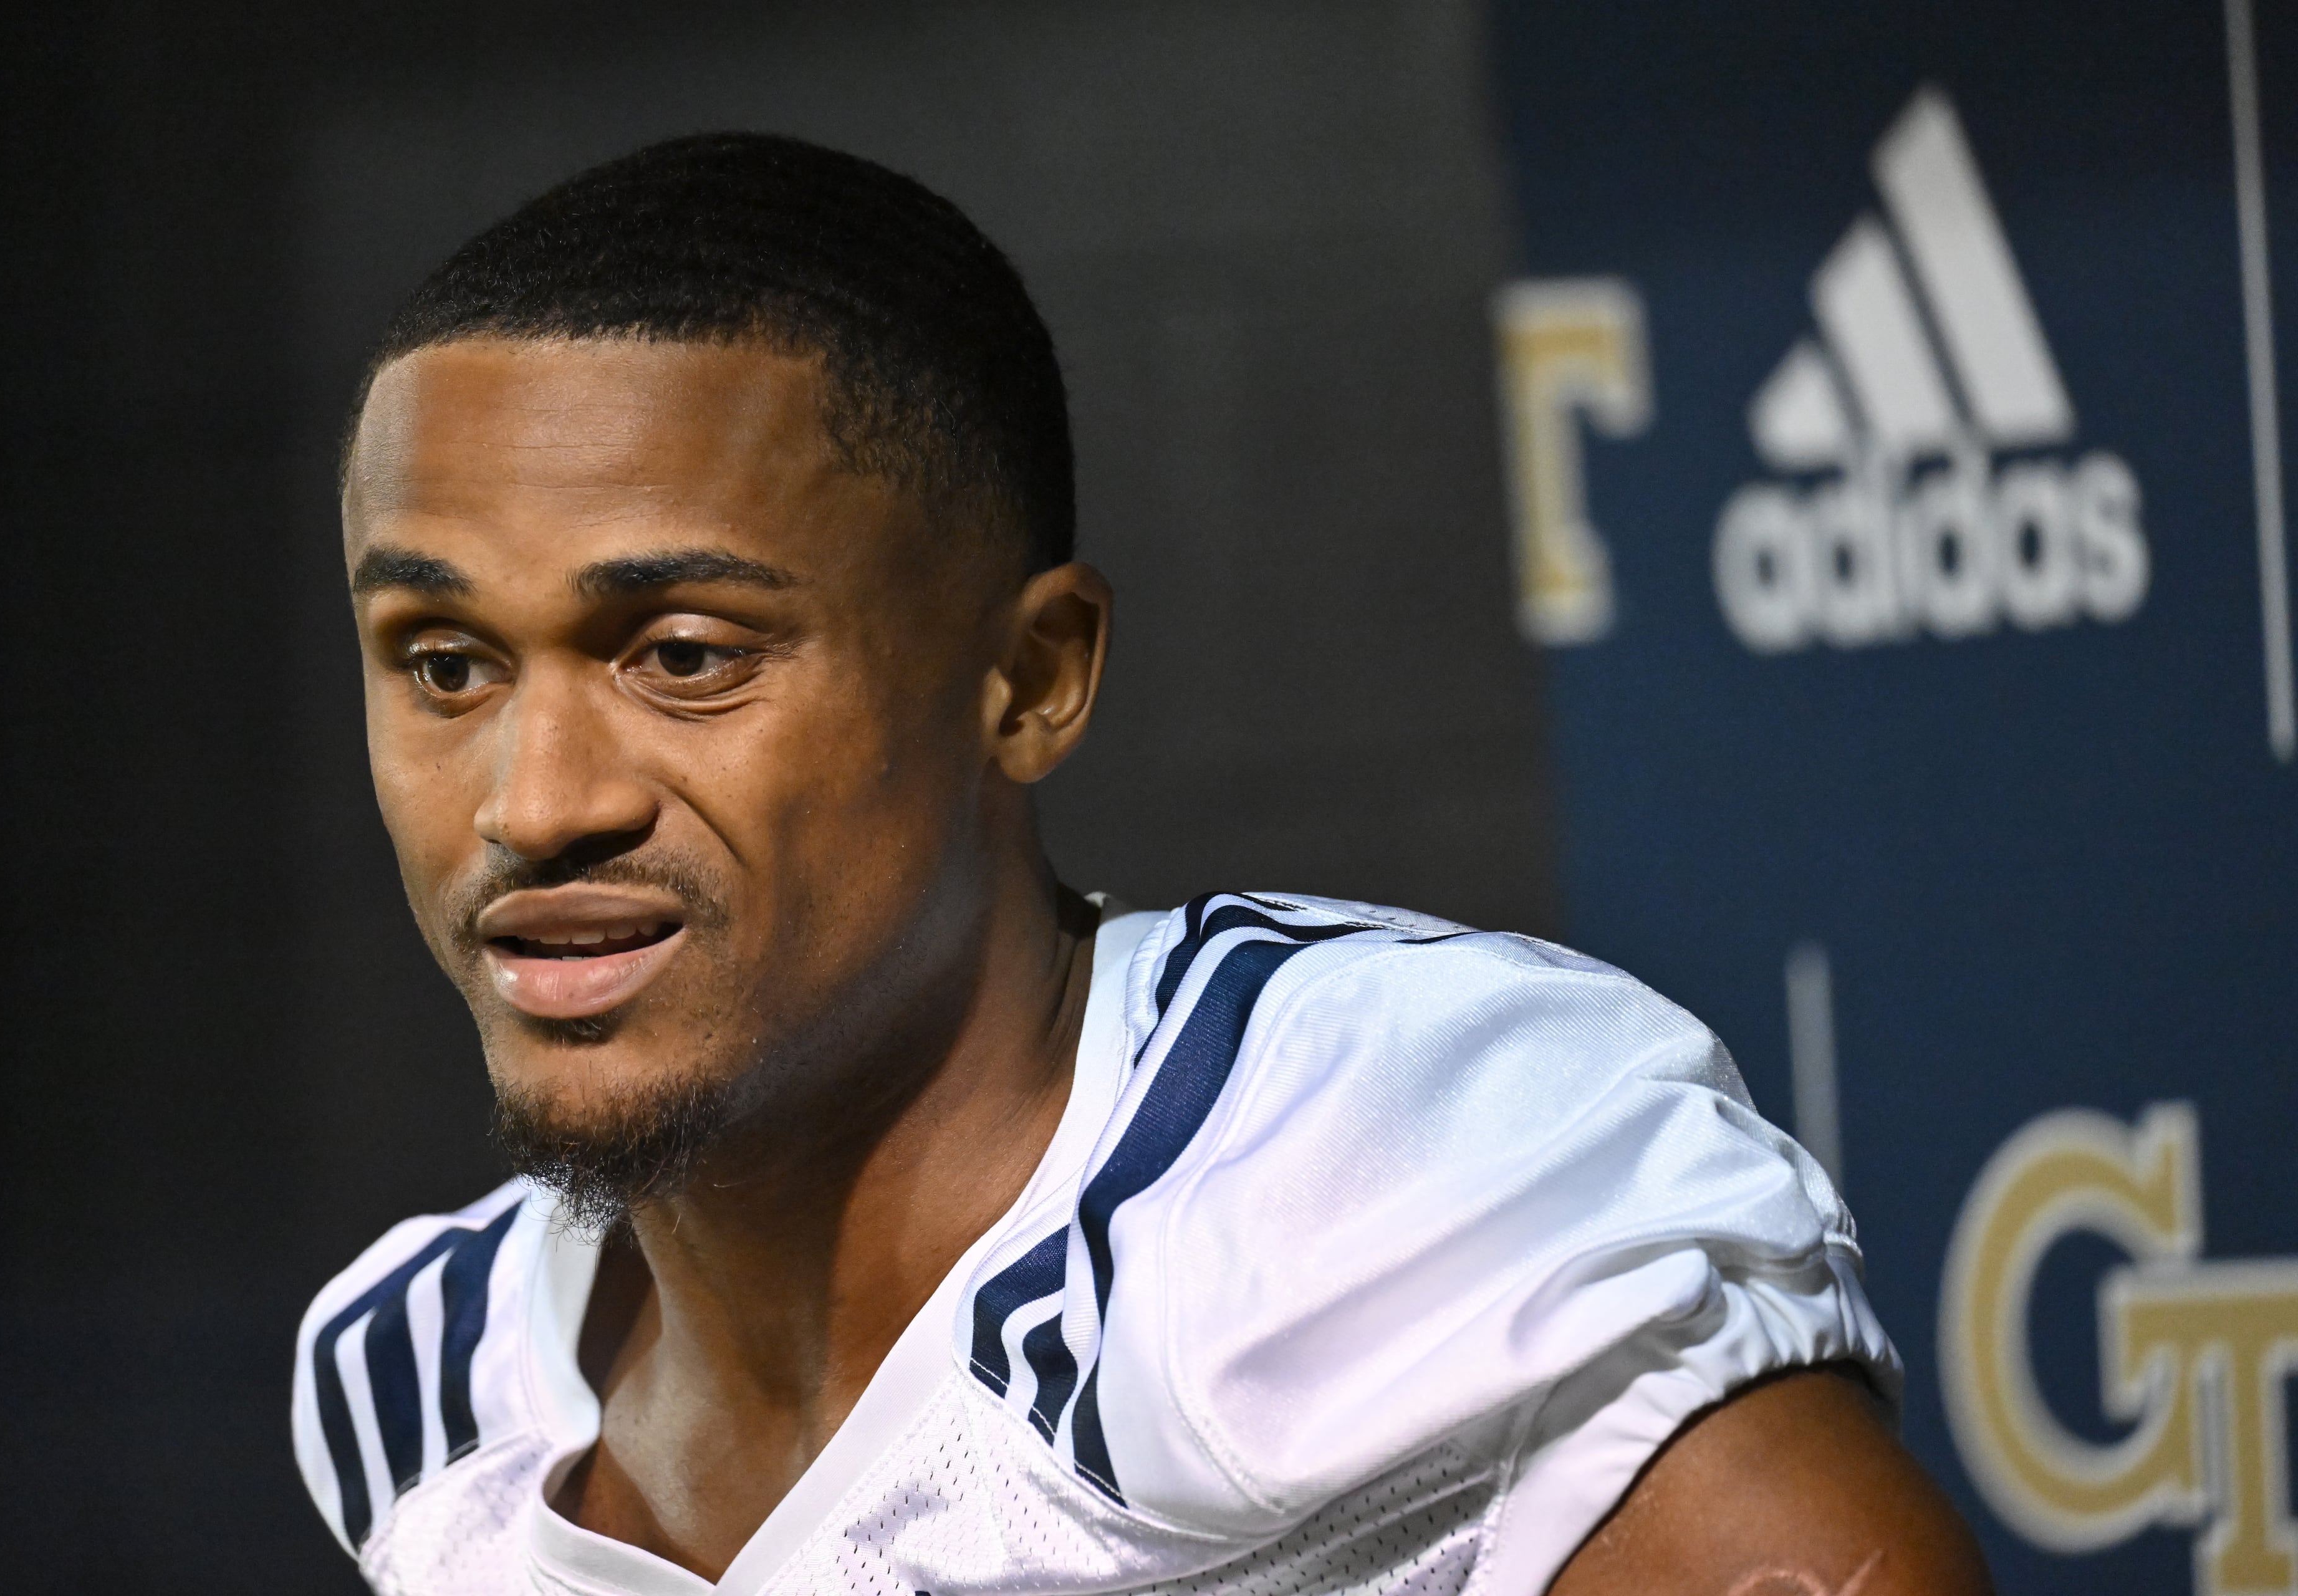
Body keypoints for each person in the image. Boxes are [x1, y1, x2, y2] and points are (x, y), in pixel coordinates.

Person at [292, 132, 1989, 1596]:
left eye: (684, 654)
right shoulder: (425, 1384)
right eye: (445, 663)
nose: (535, 800)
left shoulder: (1363, 1171)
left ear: (1030, 680)